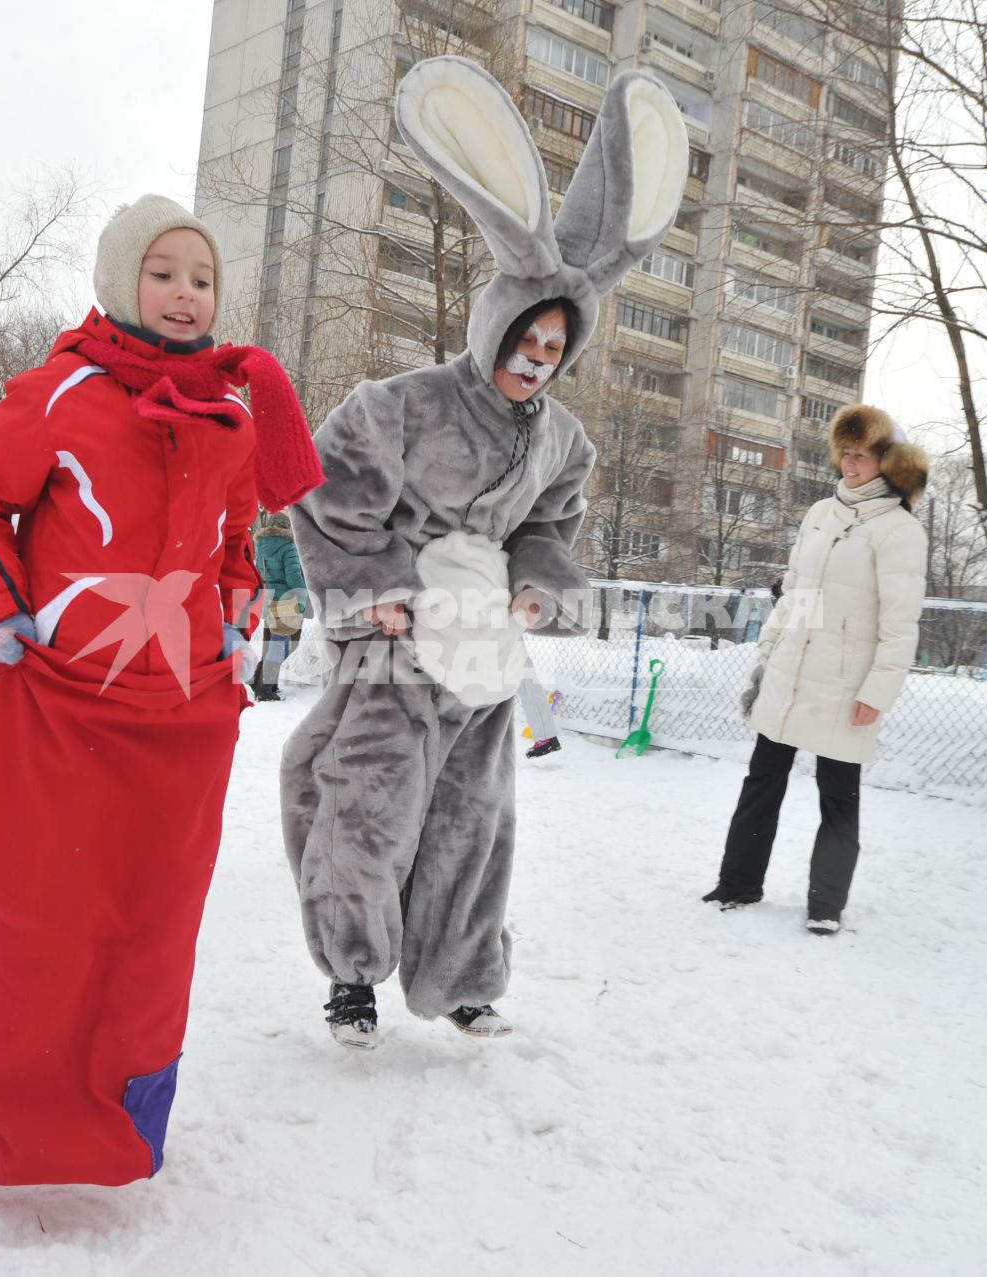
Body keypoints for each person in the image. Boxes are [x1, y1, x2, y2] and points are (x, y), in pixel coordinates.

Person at [0, 195, 322, 1187]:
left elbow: (239, 534)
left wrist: (237, 616)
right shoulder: (63, 389)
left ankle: (127, 1117)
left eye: (201, 279)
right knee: (38, 920)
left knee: (153, 931)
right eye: (163, 272)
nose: (185, 293)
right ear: (123, 282)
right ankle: (2, 1114)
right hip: (63, 703)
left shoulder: (234, 411)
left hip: (186, 716)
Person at [282, 57, 687, 1048]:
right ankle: (352, 974)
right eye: (523, 340)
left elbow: (554, 522)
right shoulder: (397, 405)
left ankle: (463, 975)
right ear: (494, 323)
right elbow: (327, 501)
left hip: (484, 660)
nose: (534, 361)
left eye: (553, 350)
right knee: (362, 808)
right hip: (394, 646)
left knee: (474, 821)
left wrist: (541, 583)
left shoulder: (562, 439)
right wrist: (373, 591)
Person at [704, 406, 929, 935]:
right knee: (762, 781)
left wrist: (879, 689)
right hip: (791, 673)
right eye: (845, 453)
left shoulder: (899, 530)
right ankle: (738, 883)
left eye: (862, 454)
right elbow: (795, 596)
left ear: (886, 460)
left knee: (838, 795)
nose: (850, 463)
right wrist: (767, 660)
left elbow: (901, 624)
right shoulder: (821, 514)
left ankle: (826, 904)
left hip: (845, 683)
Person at [251, 509, 310, 701]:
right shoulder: (288, 546)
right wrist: (302, 600)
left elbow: (259, 573)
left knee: (272, 643)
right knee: (283, 644)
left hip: (270, 599)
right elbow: (294, 577)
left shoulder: (261, 545)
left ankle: (263, 682)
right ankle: (265, 689)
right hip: (287, 600)